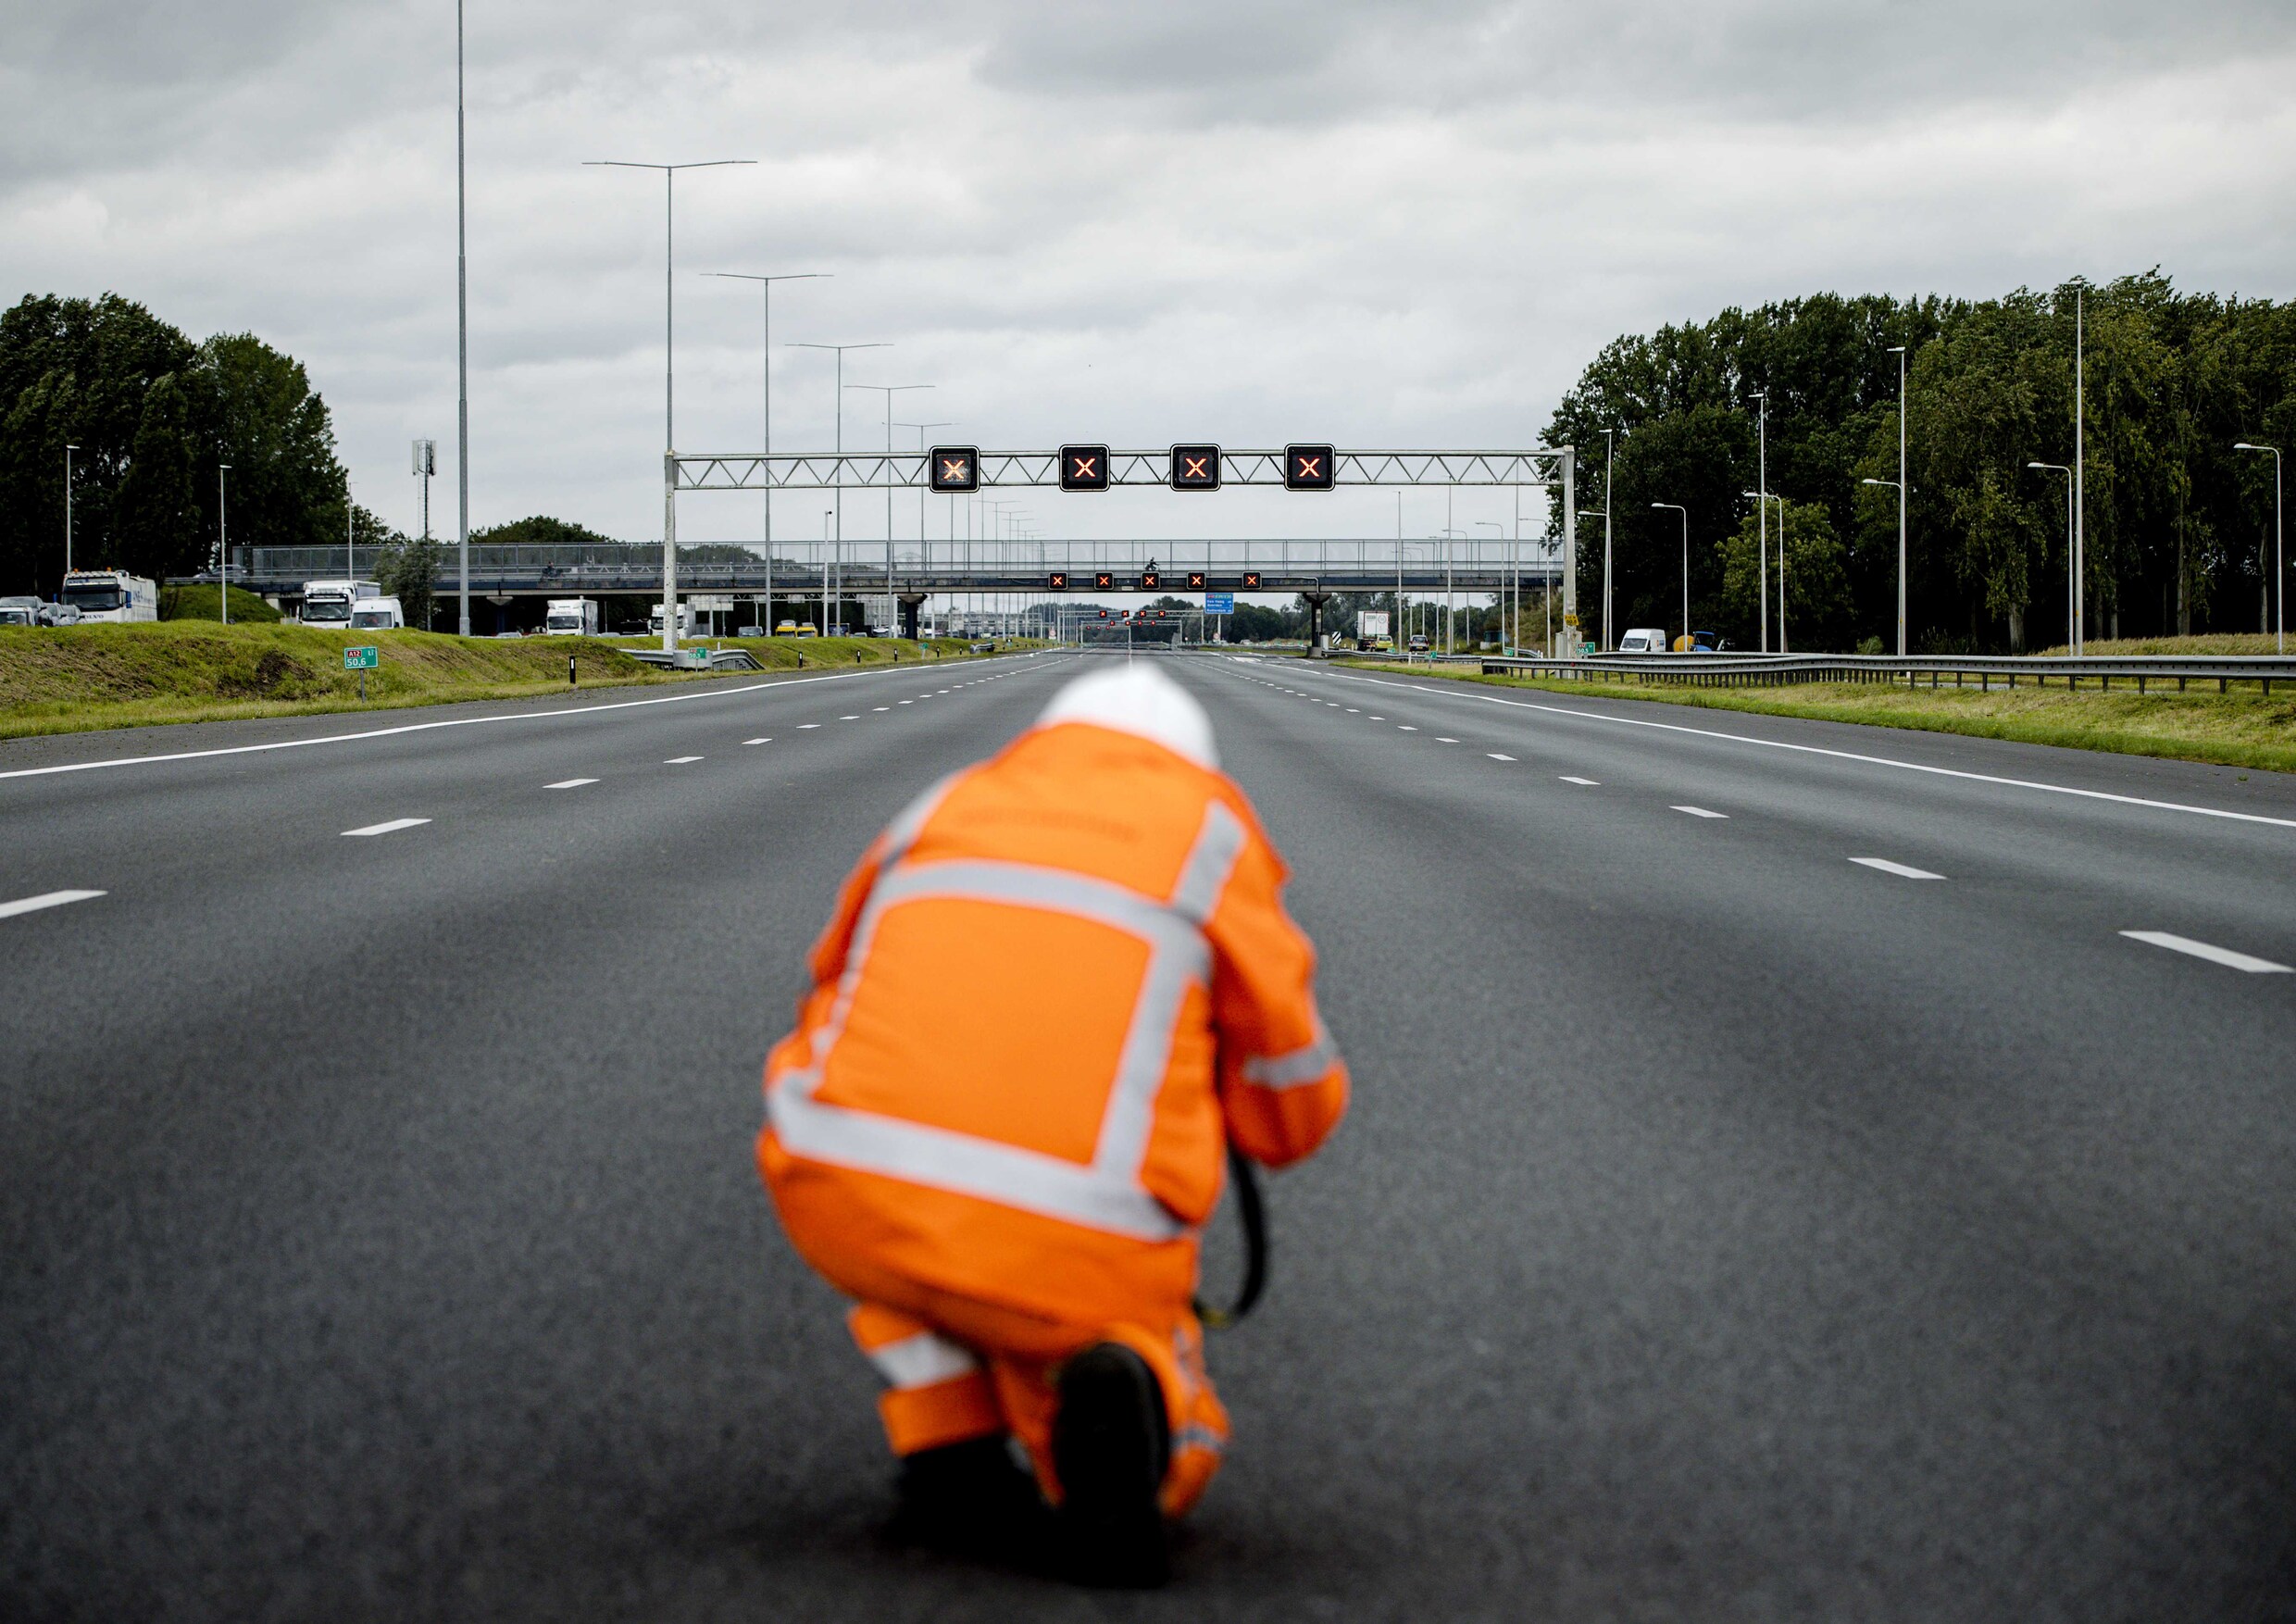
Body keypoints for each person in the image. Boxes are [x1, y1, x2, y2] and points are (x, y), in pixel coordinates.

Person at [755, 661, 1348, 1586]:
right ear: (1190, 761)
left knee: (919, 1231)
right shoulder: (1208, 834)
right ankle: (1128, 1446)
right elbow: (1288, 1085)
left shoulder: (945, 802)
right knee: (1107, 1328)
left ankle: (950, 1440)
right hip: (1079, 1224)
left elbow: (831, 970)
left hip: (836, 1170)